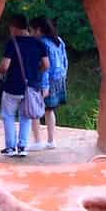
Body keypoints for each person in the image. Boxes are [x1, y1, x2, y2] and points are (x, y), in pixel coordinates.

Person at [0, 18, 49, 157]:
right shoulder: (38, 42)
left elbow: (5, 66)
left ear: (14, 27)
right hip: (32, 87)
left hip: (13, 86)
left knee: (8, 115)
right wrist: (34, 72)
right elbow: (46, 65)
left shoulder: (13, 42)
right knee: (26, 116)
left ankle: (10, 148)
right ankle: (22, 147)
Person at [31, 17, 69, 151]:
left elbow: (45, 67)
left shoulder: (41, 43)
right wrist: (63, 75)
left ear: (38, 30)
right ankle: (51, 141)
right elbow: (65, 60)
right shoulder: (58, 40)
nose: (31, 33)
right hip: (59, 78)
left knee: (33, 110)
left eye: (32, 30)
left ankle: (37, 142)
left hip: (46, 81)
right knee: (49, 110)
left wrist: (44, 86)